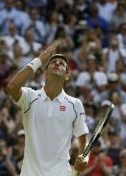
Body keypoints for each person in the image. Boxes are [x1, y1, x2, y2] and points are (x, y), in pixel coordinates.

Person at [7, 42, 89, 176]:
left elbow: (83, 142)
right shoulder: (30, 97)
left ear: (67, 76)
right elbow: (12, 87)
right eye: (53, 62)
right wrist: (39, 60)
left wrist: (84, 158)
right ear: (45, 73)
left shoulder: (75, 104)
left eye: (62, 64)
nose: (57, 63)